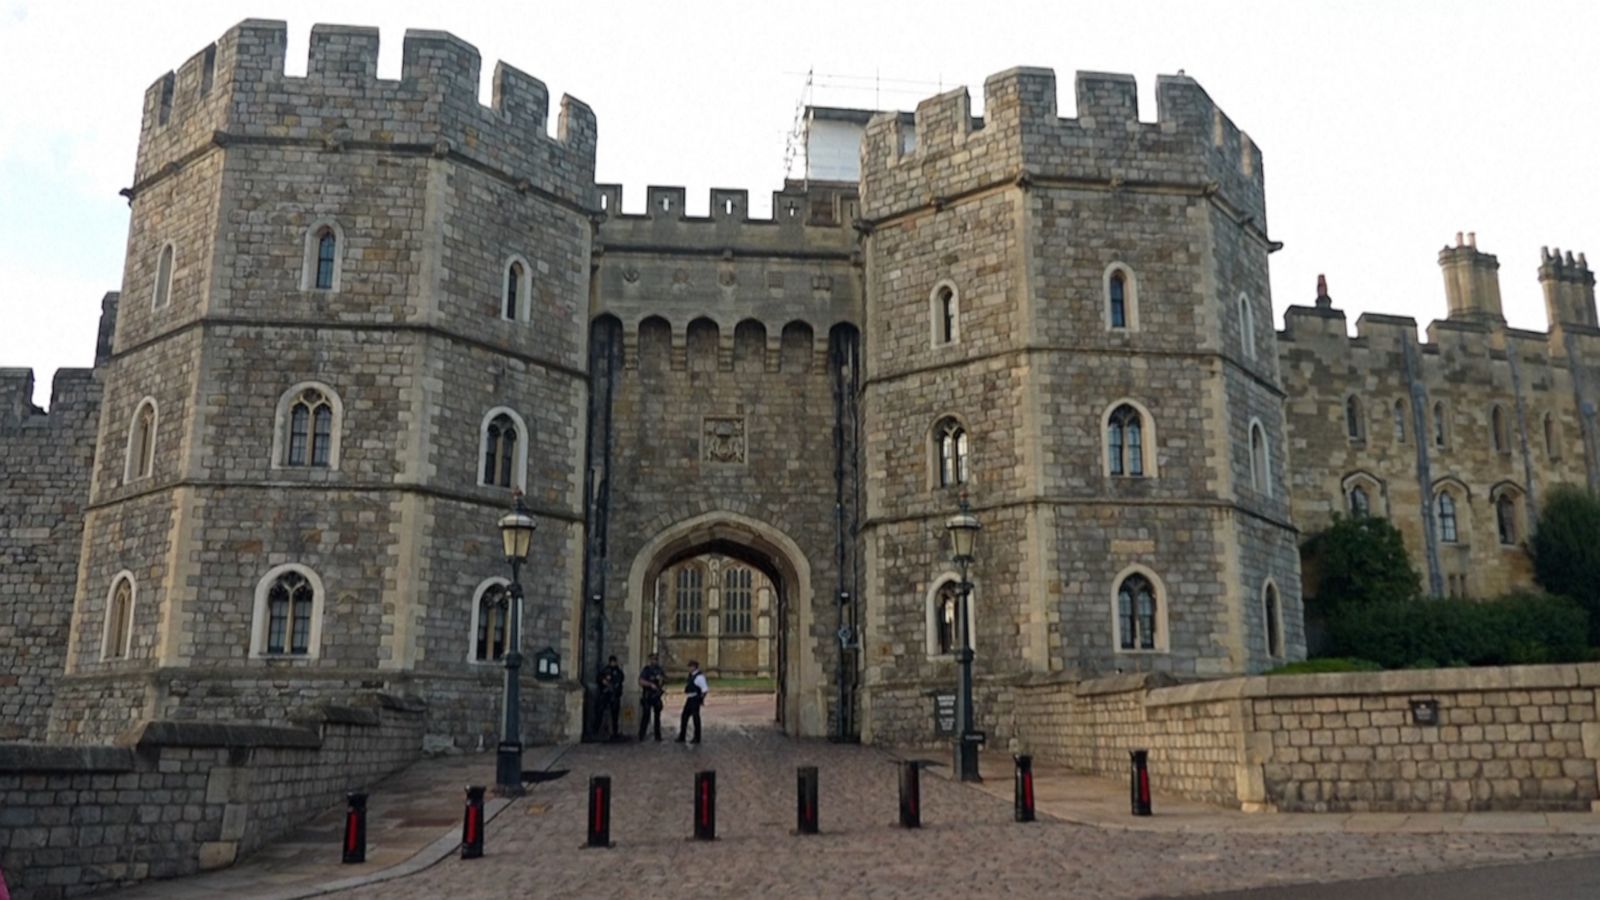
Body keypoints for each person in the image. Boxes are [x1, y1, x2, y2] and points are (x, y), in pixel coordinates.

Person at [676, 659, 709, 744]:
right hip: (690, 698)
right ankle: (682, 736)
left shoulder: (699, 677)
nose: (689, 668)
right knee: (684, 717)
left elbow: (704, 690)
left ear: (694, 667)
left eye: (690, 666)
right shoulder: (691, 675)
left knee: (695, 718)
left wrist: (700, 699)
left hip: (694, 698)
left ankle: (697, 738)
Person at [637, 653, 666, 741]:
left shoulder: (660, 670)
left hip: (656, 696)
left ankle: (658, 736)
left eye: (656, 659)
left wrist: (661, 681)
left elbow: (664, 680)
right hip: (648, 695)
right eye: (653, 659)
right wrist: (650, 684)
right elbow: (641, 681)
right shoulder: (646, 670)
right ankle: (641, 735)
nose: (654, 661)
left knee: (657, 716)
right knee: (646, 715)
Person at [597, 655, 625, 740]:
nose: (613, 663)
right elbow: (599, 679)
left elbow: (620, 680)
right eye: (612, 662)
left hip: (615, 696)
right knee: (602, 713)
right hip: (606, 695)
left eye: (614, 662)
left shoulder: (618, 672)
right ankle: (601, 731)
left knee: (615, 716)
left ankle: (614, 733)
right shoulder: (605, 670)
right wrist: (604, 681)